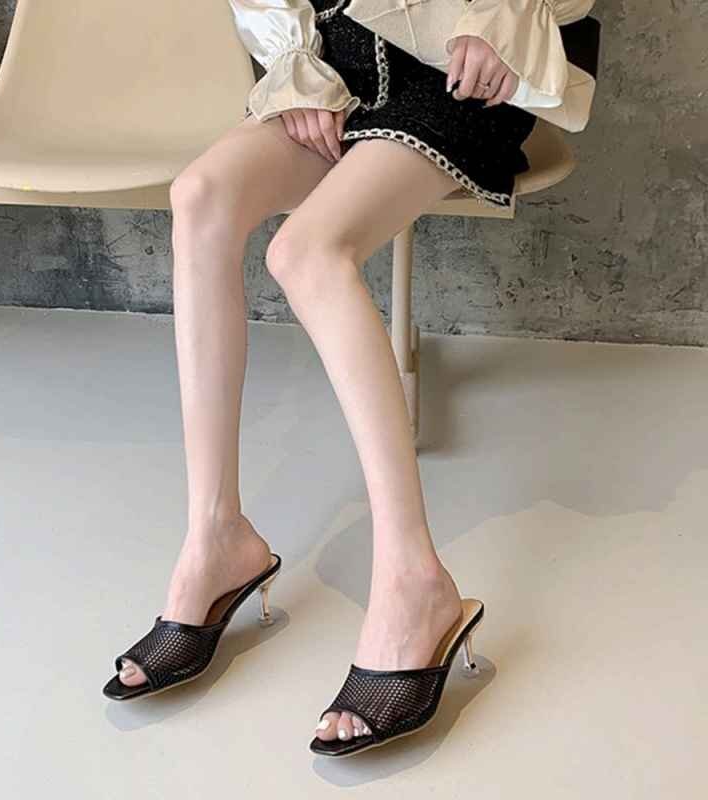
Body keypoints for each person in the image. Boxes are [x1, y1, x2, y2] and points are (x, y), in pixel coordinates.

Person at [102, 0, 596, 758]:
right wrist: (296, 67)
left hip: (460, 68)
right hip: (337, 65)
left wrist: (500, 15)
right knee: (198, 196)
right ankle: (215, 534)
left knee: (304, 253)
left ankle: (414, 581)